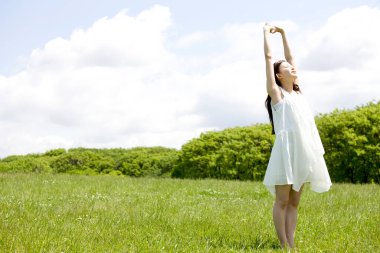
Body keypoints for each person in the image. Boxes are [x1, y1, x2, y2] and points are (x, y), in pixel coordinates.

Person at [262, 23, 332, 249]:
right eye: (286, 67)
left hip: (302, 151)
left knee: (294, 202)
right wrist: (266, 34)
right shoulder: (277, 94)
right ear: (278, 75)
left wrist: (284, 33)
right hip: (286, 153)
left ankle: (291, 244)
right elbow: (268, 57)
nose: (291, 68)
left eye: (292, 67)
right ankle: (283, 244)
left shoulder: (298, 93)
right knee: (282, 201)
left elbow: (291, 56)